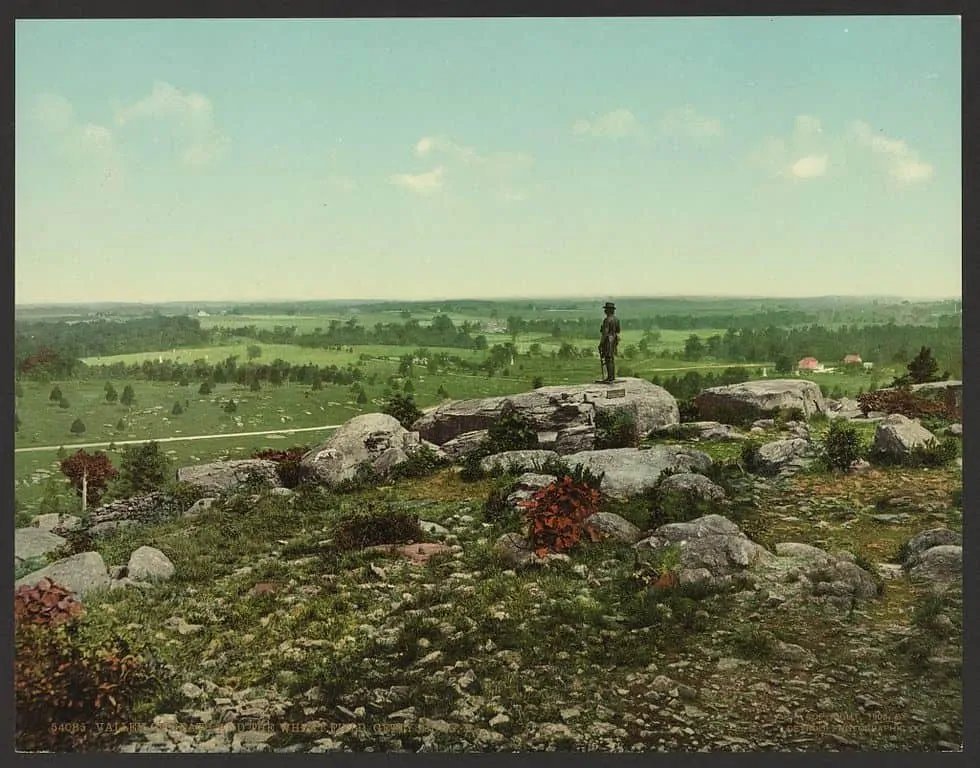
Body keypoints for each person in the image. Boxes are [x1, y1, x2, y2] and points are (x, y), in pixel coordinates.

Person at [598, 301, 621, 383]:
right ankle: (612, 376)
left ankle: (610, 377)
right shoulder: (616, 319)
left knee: (608, 358)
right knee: (611, 358)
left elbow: (605, 333)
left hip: (608, 340)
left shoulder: (607, 320)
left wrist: (601, 343)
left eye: (606, 309)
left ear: (608, 310)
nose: (605, 311)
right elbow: (618, 330)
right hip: (614, 339)